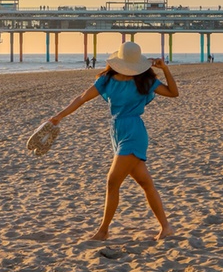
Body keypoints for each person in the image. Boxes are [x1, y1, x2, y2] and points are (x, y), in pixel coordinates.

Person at [47, 41, 179, 241]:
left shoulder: (144, 80)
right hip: (116, 131)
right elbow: (82, 97)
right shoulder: (106, 80)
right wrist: (59, 116)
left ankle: (103, 231)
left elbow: (173, 93)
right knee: (145, 182)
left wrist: (165, 68)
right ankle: (166, 227)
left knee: (112, 181)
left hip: (134, 132)